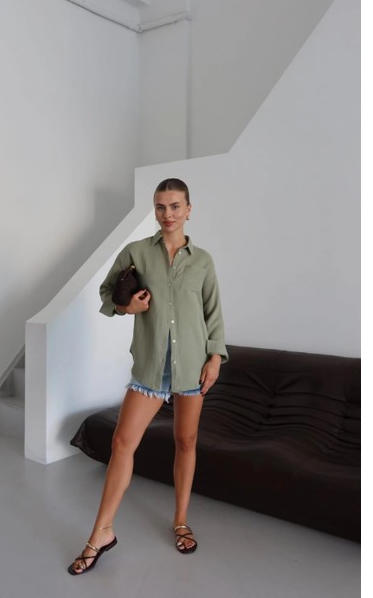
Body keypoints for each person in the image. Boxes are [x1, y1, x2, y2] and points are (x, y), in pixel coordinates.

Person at [68, 178, 228, 575]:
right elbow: (108, 292)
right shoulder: (136, 252)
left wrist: (215, 357)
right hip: (150, 367)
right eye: (160, 206)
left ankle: (181, 521)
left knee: (186, 441)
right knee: (122, 443)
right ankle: (101, 533)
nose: (167, 214)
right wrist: (127, 308)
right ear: (154, 210)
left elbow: (213, 313)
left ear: (189, 209)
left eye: (175, 206)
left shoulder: (203, 261)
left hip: (192, 367)